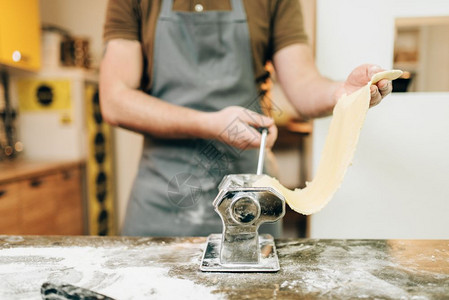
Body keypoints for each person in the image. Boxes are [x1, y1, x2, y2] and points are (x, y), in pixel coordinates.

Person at [100, 0, 393, 237]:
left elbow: (303, 85)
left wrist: (341, 93)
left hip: (250, 196)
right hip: (165, 196)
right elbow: (115, 100)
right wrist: (212, 125)